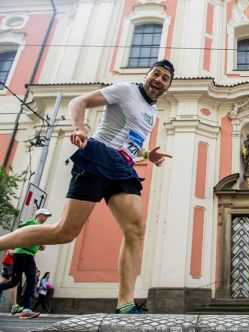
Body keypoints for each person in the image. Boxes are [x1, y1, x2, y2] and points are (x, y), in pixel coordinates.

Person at [0, 59, 175, 314]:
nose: (158, 80)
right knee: (64, 232)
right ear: (147, 76)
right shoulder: (126, 89)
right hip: (98, 155)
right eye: (155, 74)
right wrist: (80, 128)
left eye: (164, 78)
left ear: (167, 86)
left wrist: (148, 155)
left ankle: (125, 303)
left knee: (136, 229)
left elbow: (129, 140)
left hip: (124, 168)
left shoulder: (152, 112)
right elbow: (77, 102)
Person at [0, 208, 51, 319]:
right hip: (21, 254)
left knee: (30, 280)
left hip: (29, 255)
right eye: (44, 215)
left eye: (47, 216)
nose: (46, 218)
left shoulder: (41, 230)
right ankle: (26, 308)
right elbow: (18, 233)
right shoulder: (31, 223)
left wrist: (40, 244)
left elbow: (42, 246)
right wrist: (12, 246)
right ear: (39, 215)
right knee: (15, 282)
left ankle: (26, 309)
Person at [1, 249, 19, 314]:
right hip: (11, 261)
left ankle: (14, 306)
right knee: (14, 283)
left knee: (3, 281)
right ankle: (14, 306)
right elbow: (11, 251)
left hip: (8, 260)